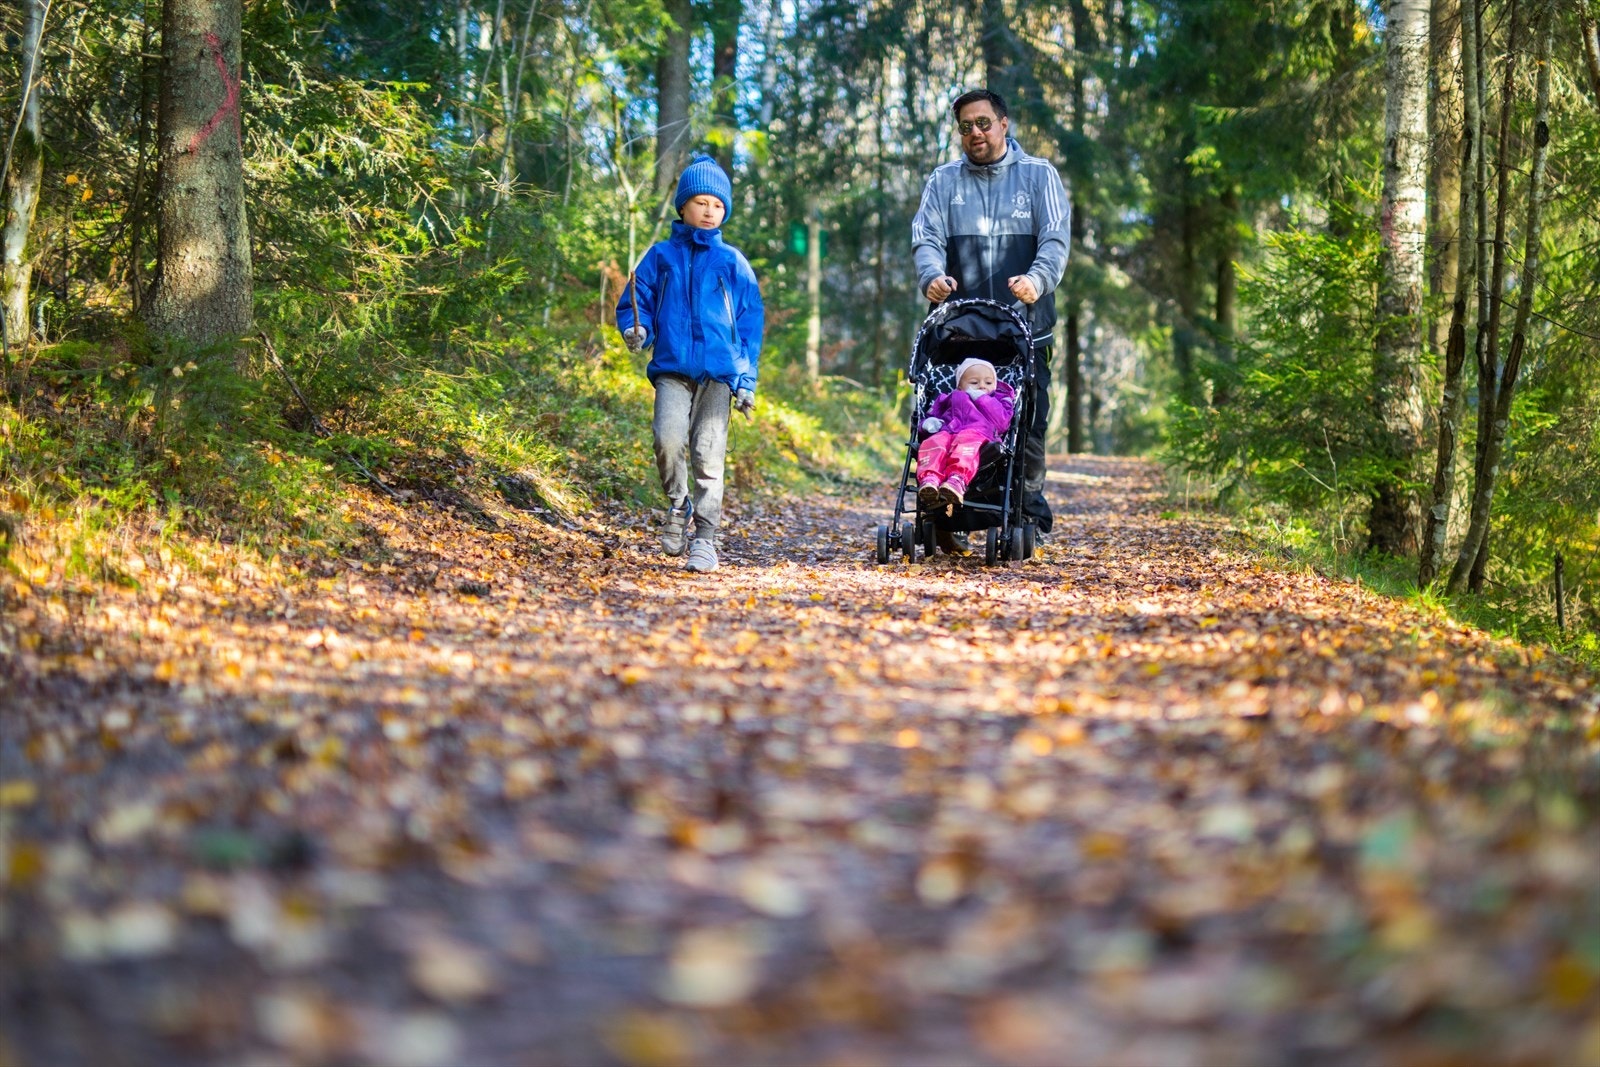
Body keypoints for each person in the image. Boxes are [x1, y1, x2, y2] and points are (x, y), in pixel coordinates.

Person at [911, 87, 1070, 542]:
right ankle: (946, 518)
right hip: (959, 334)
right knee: (949, 420)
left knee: (1027, 427)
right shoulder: (943, 181)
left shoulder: (1039, 175)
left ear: (1003, 124)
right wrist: (931, 276)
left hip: (1026, 330)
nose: (975, 133)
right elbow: (926, 237)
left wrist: (1037, 280)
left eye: (983, 123)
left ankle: (1027, 519)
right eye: (966, 127)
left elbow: (1055, 239)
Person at [616, 155, 764, 574]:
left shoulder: (733, 262)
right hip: (672, 368)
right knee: (667, 439)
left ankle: (705, 539)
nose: (709, 211)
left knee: (708, 454)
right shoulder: (660, 256)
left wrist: (746, 381)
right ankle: (678, 503)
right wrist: (636, 329)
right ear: (683, 206)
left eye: (717, 205)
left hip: (718, 375)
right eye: (700, 202)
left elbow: (750, 326)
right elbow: (636, 301)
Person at [916, 357, 1016, 512]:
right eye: (974, 382)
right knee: (933, 442)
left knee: (966, 443)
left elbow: (1002, 423)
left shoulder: (999, 399)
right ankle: (930, 480)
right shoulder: (946, 399)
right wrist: (927, 424)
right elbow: (931, 416)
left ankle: (957, 479)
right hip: (947, 431)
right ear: (960, 386)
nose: (982, 386)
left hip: (978, 434)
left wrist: (982, 399)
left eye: (988, 382)